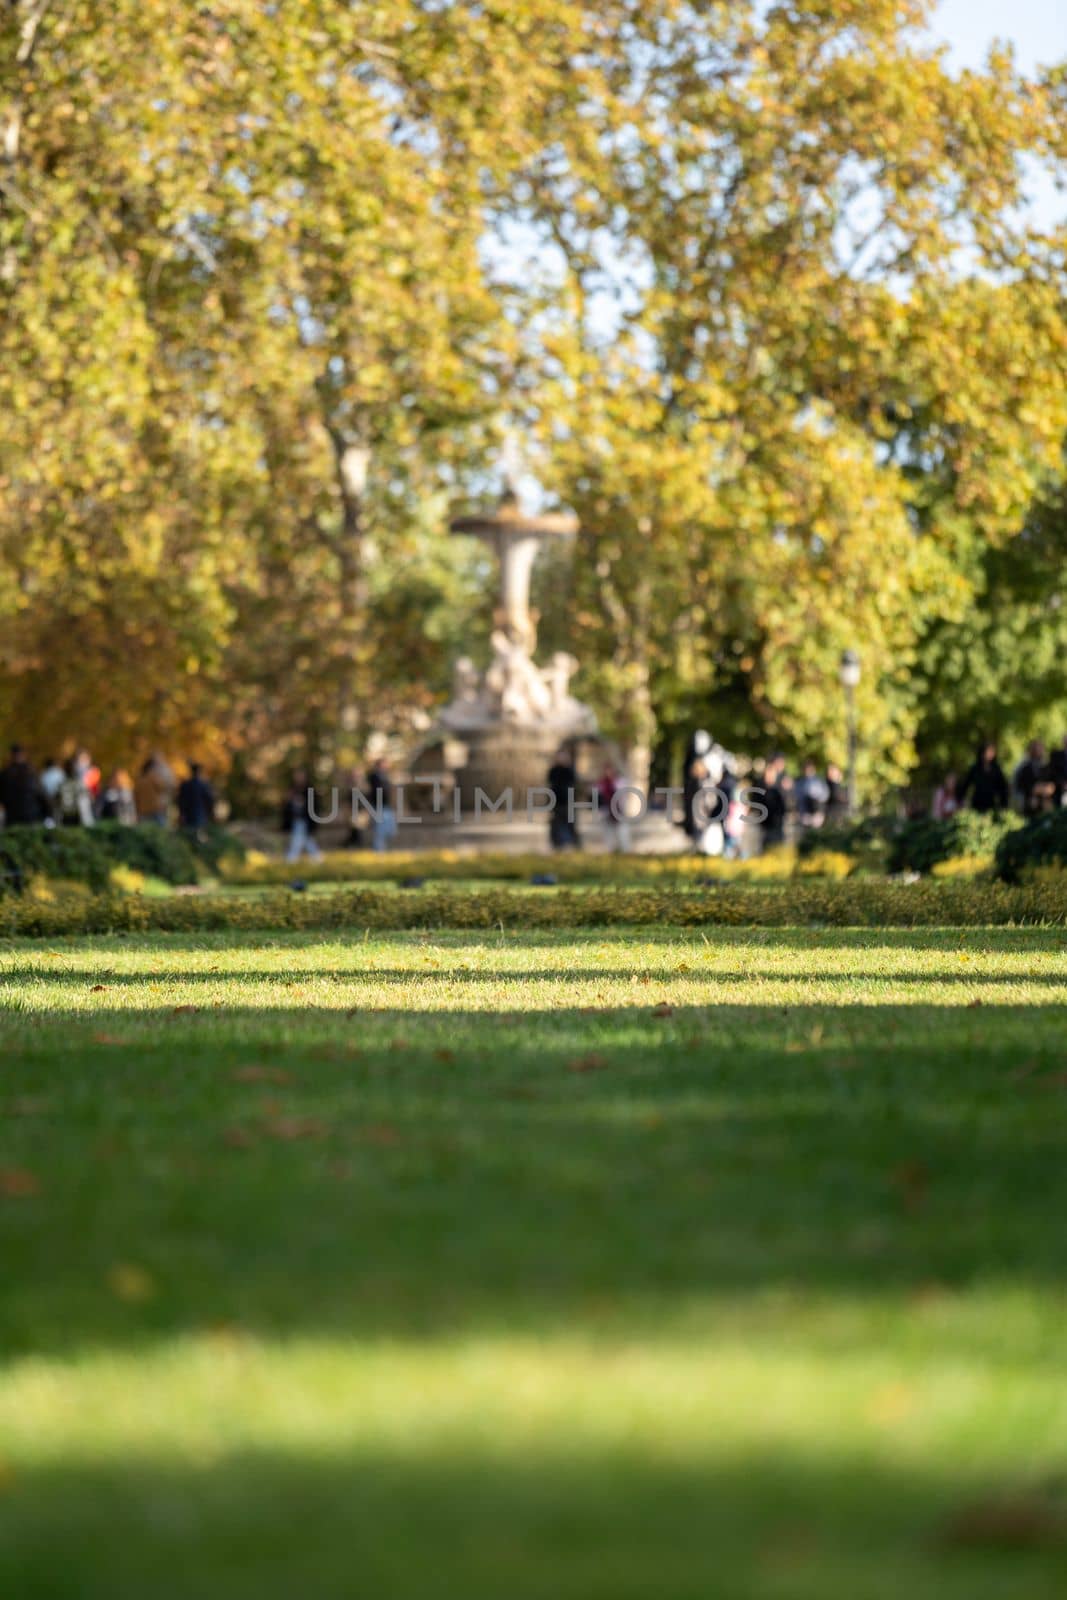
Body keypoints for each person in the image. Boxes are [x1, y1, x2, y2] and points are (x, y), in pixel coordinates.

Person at [283, 768, 323, 862]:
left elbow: (314, 806)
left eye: (300, 775)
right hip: (295, 820)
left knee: (299, 841)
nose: (298, 777)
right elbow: (287, 806)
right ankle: (317, 859)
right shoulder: (292, 789)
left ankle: (291, 860)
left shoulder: (309, 790)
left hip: (305, 820)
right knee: (306, 841)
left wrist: (302, 804)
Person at [958, 742, 1009, 814]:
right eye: (987, 752)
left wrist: (1004, 806)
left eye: (992, 752)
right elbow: (966, 784)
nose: (989, 754)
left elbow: (1002, 788)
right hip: (977, 802)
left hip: (991, 803)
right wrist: (960, 799)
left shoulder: (997, 769)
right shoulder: (975, 768)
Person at [0, 744, 45, 826]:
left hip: (15, 813)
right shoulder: (31, 771)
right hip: (29, 813)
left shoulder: (6, 772)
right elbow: (40, 793)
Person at [547, 746, 580, 850]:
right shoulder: (553, 771)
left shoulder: (570, 771)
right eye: (560, 756)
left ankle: (573, 845)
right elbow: (551, 787)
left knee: (570, 824)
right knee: (556, 825)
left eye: (563, 756)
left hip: (568, 803)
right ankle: (557, 845)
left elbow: (574, 786)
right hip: (556, 803)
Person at [1013, 740, 1055, 818]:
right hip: (1030, 804)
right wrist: (1034, 789)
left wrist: (1049, 788)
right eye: (1036, 749)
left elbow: (1052, 783)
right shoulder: (1025, 767)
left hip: (1046, 804)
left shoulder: (1047, 766)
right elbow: (1020, 786)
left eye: (1040, 749)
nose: (1038, 752)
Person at [596, 761, 631, 853]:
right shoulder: (601, 783)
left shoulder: (620, 782)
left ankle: (625, 850)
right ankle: (610, 850)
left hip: (619, 811)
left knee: (623, 833)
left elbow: (624, 796)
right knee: (608, 834)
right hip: (606, 811)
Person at [366, 755, 397, 853]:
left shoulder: (385, 776)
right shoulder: (374, 776)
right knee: (379, 829)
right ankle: (378, 849)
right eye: (385, 764)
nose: (387, 766)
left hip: (385, 805)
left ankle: (381, 848)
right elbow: (376, 790)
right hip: (377, 805)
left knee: (389, 828)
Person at [758, 753, 788, 851]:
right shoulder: (762, 789)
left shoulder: (778, 790)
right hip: (766, 825)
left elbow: (783, 807)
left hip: (776, 824)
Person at [176, 761, 214, 834]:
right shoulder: (203, 785)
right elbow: (209, 799)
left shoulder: (185, 784)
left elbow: (180, 800)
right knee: (199, 834)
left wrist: (181, 813)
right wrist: (210, 812)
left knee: (189, 834)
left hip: (188, 814)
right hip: (200, 813)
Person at [134, 755, 174, 824]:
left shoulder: (139, 780)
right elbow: (163, 788)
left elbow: (136, 797)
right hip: (155, 809)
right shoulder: (153, 777)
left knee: (145, 832)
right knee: (161, 831)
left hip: (143, 811)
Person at [57, 756, 94, 826]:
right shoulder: (79, 784)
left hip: (68, 816)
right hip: (77, 816)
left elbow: (57, 800)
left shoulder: (62, 785)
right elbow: (89, 798)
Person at [794, 758, 829, 830]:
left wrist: (819, 810)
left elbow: (825, 796)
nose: (808, 771)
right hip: (804, 813)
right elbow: (797, 797)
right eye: (806, 769)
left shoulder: (819, 781)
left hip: (817, 813)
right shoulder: (800, 782)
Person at [39, 756, 65, 823]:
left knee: (50, 818)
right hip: (58, 799)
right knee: (58, 817)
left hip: (47, 800)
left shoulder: (44, 774)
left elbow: (42, 788)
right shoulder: (60, 772)